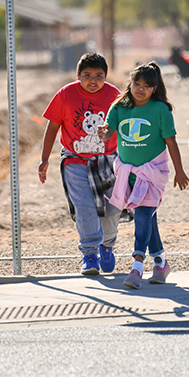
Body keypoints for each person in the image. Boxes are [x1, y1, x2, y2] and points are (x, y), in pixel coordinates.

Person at [100, 61, 189, 289]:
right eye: (136, 83)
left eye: (147, 86)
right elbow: (108, 132)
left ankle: (137, 267)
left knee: (141, 217)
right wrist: (103, 132)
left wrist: (179, 171)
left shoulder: (161, 110)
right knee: (147, 219)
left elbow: (171, 142)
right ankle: (161, 263)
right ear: (130, 83)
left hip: (152, 173)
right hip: (127, 174)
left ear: (155, 88)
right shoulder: (119, 107)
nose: (140, 89)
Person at [39, 52, 122, 276]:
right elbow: (53, 127)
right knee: (85, 207)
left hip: (107, 160)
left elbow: (125, 126)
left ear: (106, 76)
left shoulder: (115, 95)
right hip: (75, 161)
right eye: (86, 75)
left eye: (99, 75)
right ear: (78, 75)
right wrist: (45, 158)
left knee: (113, 207)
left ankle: (107, 245)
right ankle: (89, 254)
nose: (92, 80)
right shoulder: (66, 94)